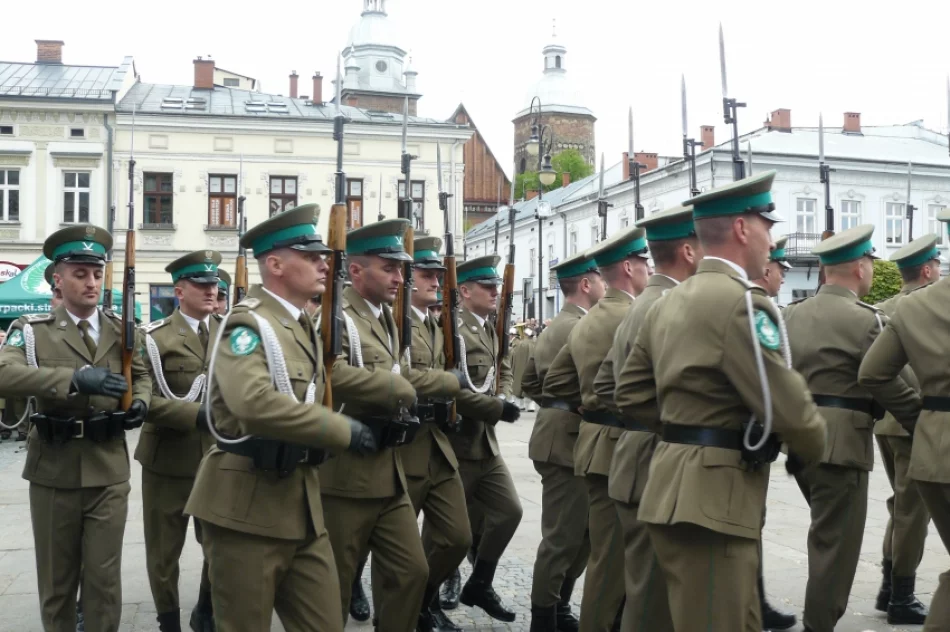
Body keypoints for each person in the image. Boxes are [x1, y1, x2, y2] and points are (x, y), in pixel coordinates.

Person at [613, 170, 827, 631]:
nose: (771, 238)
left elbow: (630, 392)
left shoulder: (669, 300)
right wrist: (808, 445)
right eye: (767, 225)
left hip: (669, 485)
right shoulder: (743, 303)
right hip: (715, 499)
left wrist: (686, 425)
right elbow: (791, 410)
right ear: (741, 228)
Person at [184, 204, 377, 632]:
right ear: (275, 264)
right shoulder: (246, 324)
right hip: (246, 508)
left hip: (301, 505)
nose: (324, 264)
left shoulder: (302, 324)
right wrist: (337, 428)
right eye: (310, 257)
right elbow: (250, 401)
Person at [0, 224, 152, 632]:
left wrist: (141, 403)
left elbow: (142, 376)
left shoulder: (122, 329)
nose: (91, 282)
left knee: (104, 583)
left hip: (108, 469)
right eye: (80, 273)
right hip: (54, 469)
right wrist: (72, 379)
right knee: (57, 582)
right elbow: (4, 373)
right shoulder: (32, 331)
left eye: (97, 273)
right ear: (57, 278)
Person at [784, 224, 916, 632]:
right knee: (835, 548)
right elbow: (896, 382)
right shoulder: (868, 321)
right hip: (843, 446)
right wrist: (917, 419)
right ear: (860, 268)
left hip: (800, 440)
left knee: (824, 535)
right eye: (871, 263)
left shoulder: (791, 314)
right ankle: (818, 625)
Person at [317, 218, 428, 631]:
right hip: (346, 474)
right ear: (358, 271)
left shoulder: (384, 316)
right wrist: (397, 387)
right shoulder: (335, 315)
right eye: (390, 268)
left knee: (411, 571)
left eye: (400, 268)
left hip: (389, 471)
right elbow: (329, 373)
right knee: (336, 586)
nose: (400, 277)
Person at [595, 205, 701, 632]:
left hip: (632, 456)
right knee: (654, 601)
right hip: (659, 461)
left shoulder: (637, 307)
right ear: (690, 251)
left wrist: (635, 421)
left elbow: (607, 386)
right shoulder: (673, 305)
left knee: (643, 590)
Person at [545, 227, 650, 632]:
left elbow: (554, 383)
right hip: (620, 443)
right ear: (628, 267)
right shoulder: (632, 314)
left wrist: (586, 402)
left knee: (605, 553)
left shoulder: (586, 322)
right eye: (643, 263)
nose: (648, 269)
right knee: (613, 561)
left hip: (590, 441)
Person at [858, 209, 950, 632]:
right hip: (920, 429)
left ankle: (889, 585)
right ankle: (899, 592)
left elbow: (873, 372)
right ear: (928, 267)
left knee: (902, 506)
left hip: (910, 427)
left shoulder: (892, 308)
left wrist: (920, 413)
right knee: (909, 512)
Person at [137, 250, 223, 632]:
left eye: (214, 284)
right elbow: (143, 399)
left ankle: (206, 606)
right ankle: (168, 619)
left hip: (217, 459)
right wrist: (195, 414)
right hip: (168, 461)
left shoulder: (230, 334)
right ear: (179, 290)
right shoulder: (155, 338)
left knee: (218, 543)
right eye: (201, 285)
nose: (211, 290)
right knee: (163, 551)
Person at [521, 250, 604, 631]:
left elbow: (529, 382)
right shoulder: (578, 327)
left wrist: (553, 406)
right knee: (562, 537)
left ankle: (557, 607)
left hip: (564, 434)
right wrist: (566, 408)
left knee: (580, 535)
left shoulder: (560, 325)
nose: (606, 285)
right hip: (565, 442)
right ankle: (544, 618)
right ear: (586, 284)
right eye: (601, 279)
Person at [439, 255, 521, 621]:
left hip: (485, 444)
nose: (495, 293)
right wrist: (494, 408)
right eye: (487, 287)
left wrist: (502, 396)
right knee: (450, 532)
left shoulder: (490, 326)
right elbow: (450, 386)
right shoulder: (452, 330)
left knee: (509, 512)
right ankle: (434, 592)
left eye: (496, 287)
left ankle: (481, 581)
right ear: (465, 291)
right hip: (456, 445)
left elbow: (503, 366)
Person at [400, 235, 473, 632]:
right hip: (406, 443)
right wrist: (446, 382)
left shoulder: (438, 323)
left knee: (457, 536)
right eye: (427, 274)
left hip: (438, 442)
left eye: (439, 276)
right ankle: (397, 612)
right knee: (395, 548)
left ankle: (424, 601)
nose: (435, 282)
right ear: (410, 279)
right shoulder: (397, 322)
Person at [747, 236, 798, 630]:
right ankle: (753, 605)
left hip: (753, 442)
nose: (782, 277)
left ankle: (756, 601)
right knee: (748, 525)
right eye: (780, 269)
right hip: (744, 444)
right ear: (767, 269)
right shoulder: (752, 308)